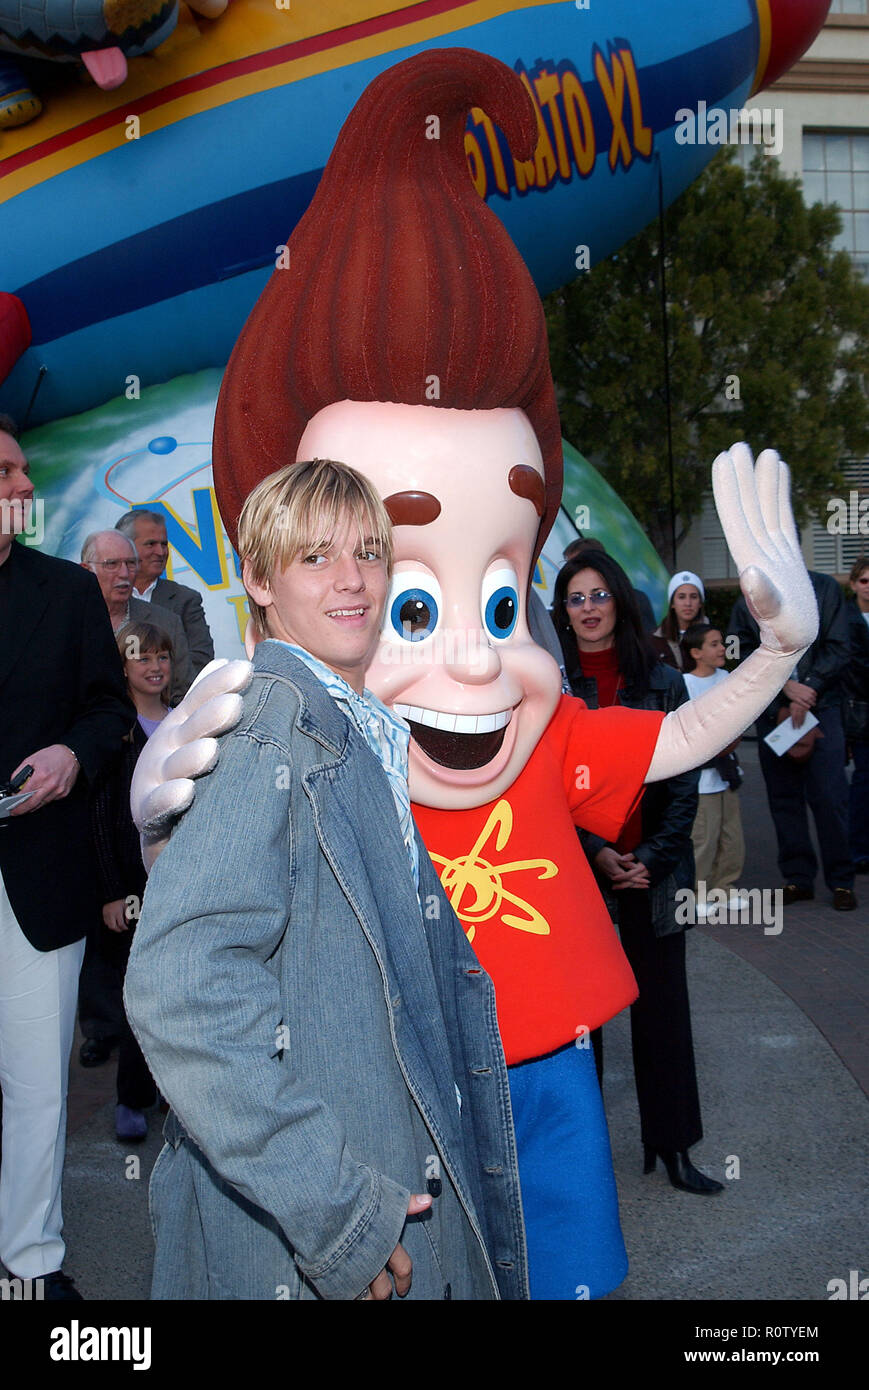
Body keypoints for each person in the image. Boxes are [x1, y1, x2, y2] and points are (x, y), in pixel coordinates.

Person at [124, 458, 528, 1301]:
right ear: (260, 581)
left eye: (369, 553)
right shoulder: (270, 731)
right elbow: (181, 993)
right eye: (315, 557)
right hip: (332, 1216)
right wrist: (334, 1210)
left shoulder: (353, 725)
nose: (352, 581)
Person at [0, 414, 134, 1300]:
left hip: (38, 876)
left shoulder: (67, 592)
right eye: (5, 472)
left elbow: (111, 714)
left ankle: (29, 1266)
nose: (21, 486)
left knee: (38, 1086)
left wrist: (71, 755)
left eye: (19, 471)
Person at [552, 550, 722, 1196]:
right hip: (579, 870)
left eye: (599, 595)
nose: (589, 608)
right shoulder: (551, 684)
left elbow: (684, 780)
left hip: (655, 869)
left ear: (618, 601)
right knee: (580, 1023)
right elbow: (550, 786)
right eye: (576, 598)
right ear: (562, 612)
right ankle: (582, 1162)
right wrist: (597, 851)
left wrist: (647, 858)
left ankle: (673, 1147)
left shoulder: (662, 679)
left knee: (663, 1014)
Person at [729, 569, 855, 910]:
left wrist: (810, 686)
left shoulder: (824, 588)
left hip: (823, 705)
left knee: (830, 798)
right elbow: (737, 652)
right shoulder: (749, 597)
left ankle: (842, 881)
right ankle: (797, 878)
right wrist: (784, 686)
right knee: (784, 799)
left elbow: (841, 646)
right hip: (774, 711)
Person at [89, 621, 169, 1141]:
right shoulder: (114, 729)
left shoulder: (192, 717)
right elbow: (100, 815)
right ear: (122, 667)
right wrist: (113, 891)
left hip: (186, 877)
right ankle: (133, 1098)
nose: (155, 666)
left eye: (163, 656)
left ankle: (179, 1092)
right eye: (143, 658)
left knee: (180, 990)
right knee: (138, 993)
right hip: (133, 885)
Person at [81, 530, 193, 707]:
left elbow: (185, 695)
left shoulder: (166, 623)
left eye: (131, 563)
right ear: (86, 570)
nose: (124, 573)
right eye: (112, 564)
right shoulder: (66, 624)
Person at [681, 623, 745, 911]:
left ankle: (725, 887)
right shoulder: (684, 683)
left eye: (722, 643)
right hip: (703, 775)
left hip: (727, 771)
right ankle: (697, 893)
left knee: (731, 834)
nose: (723, 649)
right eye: (714, 644)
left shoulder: (727, 678)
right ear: (696, 652)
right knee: (703, 837)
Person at [115, 508, 214, 676]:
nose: (161, 552)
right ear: (125, 547)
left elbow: (201, 661)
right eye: (151, 544)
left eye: (164, 544)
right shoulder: (106, 597)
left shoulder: (185, 600)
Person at [845, 557, 869, 873]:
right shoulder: (846, 618)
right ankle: (858, 851)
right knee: (862, 783)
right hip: (859, 713)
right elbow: (852, 665)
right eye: (864, 580)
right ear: (853, 584)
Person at [653, 570, 708, 670]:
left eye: (694, 597)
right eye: (681, 597)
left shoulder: (713, 637)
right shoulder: (655, 640)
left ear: (700, 602)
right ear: (672, 603)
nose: (688, 603)